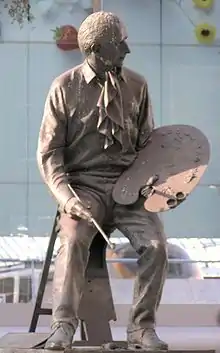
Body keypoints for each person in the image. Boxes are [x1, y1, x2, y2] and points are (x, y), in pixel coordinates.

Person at [37, 11, 168, 351]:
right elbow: (49, 154)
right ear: (96, 49)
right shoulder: (64, 88)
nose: (126, 50)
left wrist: (157, 185)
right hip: (83, 187)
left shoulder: (138, 85)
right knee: (74, 238)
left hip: (130, 187)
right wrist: (67, 200)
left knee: (156, 246)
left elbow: (147, 145)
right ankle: (62, 325)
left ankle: (142, 328)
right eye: (119, 43)